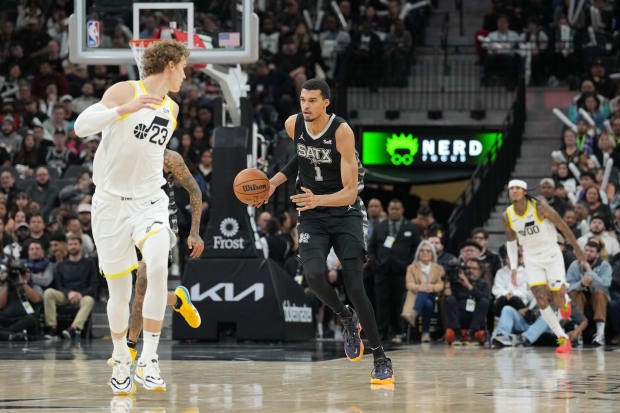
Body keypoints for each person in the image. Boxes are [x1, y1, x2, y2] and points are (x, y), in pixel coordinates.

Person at [73, 40, 197, 395]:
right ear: (171, 64)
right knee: (119, 292)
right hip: (110, 204)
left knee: (158, 266)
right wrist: (124, 109)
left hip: (150, 200)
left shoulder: (172, 109)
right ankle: (121, 357)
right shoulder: (126, 90)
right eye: (184, 67)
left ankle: (149, 359)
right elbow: (82, 126)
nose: (186, 75)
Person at [255, 78, 394, 384]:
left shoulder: (342, 132)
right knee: (315, 277)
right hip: (312, 215)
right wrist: (273, 182)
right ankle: (345, 317)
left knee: (355, 287)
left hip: (344, 213)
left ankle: (381, 357)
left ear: (326, 102)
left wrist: (317, 198)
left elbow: (349, 192)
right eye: (302, 100)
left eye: (312, 101)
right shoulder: (294, 124)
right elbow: (301, 158)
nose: (305, 106)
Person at [118, 148, 204, 364]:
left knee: (143, 283)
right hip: (129, 218)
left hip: (160, 221)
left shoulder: (169, 157)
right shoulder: (125, 151)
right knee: (139, 290)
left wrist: (194, 232)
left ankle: (131, 348)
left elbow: (195, 191)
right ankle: (177, 300)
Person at [503, 179, 587, 353]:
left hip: (551, 255)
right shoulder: (507, 215)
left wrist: (578, 249)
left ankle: (565, 302)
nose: (514, 191)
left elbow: (563, 227)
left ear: (525, 192)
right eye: (511, 188)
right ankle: (562, 338)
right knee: (540, 298)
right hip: (531, 258)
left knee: (557, 297)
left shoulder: (539, 207)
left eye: (518, 188)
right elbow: (511, 241)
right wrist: (513, 267)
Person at [368, 199, 421, 342]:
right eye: (392, 209)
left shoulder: (411, 227)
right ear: (388, 209)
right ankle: (381, 332)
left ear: (402, 210)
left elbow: (417, 248)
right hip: (382, 271)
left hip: (402, 272)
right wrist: (374, 263)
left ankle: (399, 331)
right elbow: (371, 247)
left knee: (399, 302)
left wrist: (410, 264)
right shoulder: (380, 226)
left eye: (397, 209)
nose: (395, 211)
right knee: (381, 302)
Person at [43, 235, 99, 339]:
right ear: (67, 246)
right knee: (49, 292)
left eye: (75, 244)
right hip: (65, 295)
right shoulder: (61, 265)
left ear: (81, 246)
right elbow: (59, 285)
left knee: (89, 300)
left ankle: (74, 328)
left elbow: (94, 284)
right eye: (70, 244)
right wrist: (69, 293)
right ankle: (52, 328)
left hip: (82, 295)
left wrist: (80, 294)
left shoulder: (89, 263)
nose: (73, 246)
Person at [566, 241, 612, 346]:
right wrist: (581, 284)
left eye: (591, 251)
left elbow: (604, 286)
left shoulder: (605, 266)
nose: (588, 253)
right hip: (581, 302)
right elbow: (567, 288)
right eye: (586, 250)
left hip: (599, 303)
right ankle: (577, 334)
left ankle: (600, 335)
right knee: (575, 292)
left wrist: (589, 270)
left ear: (597, 254)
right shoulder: (574, 265)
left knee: (599, 293)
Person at [401, 240, 445, 343]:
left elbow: (441, 284)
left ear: (432, 254)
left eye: (428, 251)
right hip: (416, 295)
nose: (425, 253)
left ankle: (413, 313)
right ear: (418, 253)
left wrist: (431, 287)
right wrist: (419, 287)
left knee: (427, 296)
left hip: (432, 294)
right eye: (422, 250)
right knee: (428, 304)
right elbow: (409, 284)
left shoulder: (438, 268)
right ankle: (425, 333)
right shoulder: (411, 268)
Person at [444, 257, 491, 345]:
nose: (470, 271)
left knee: (484, 301)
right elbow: (449, 297)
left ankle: (471, 333)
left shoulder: (484, 285)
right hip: (459, 318)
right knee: (450, 299)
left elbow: (485, 298)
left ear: (480, 271)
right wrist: (448, 283)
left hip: (475, 320)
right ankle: (457, 334)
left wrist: (468, 285)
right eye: (467, 268)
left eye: (473, 268)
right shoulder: (457, 283)